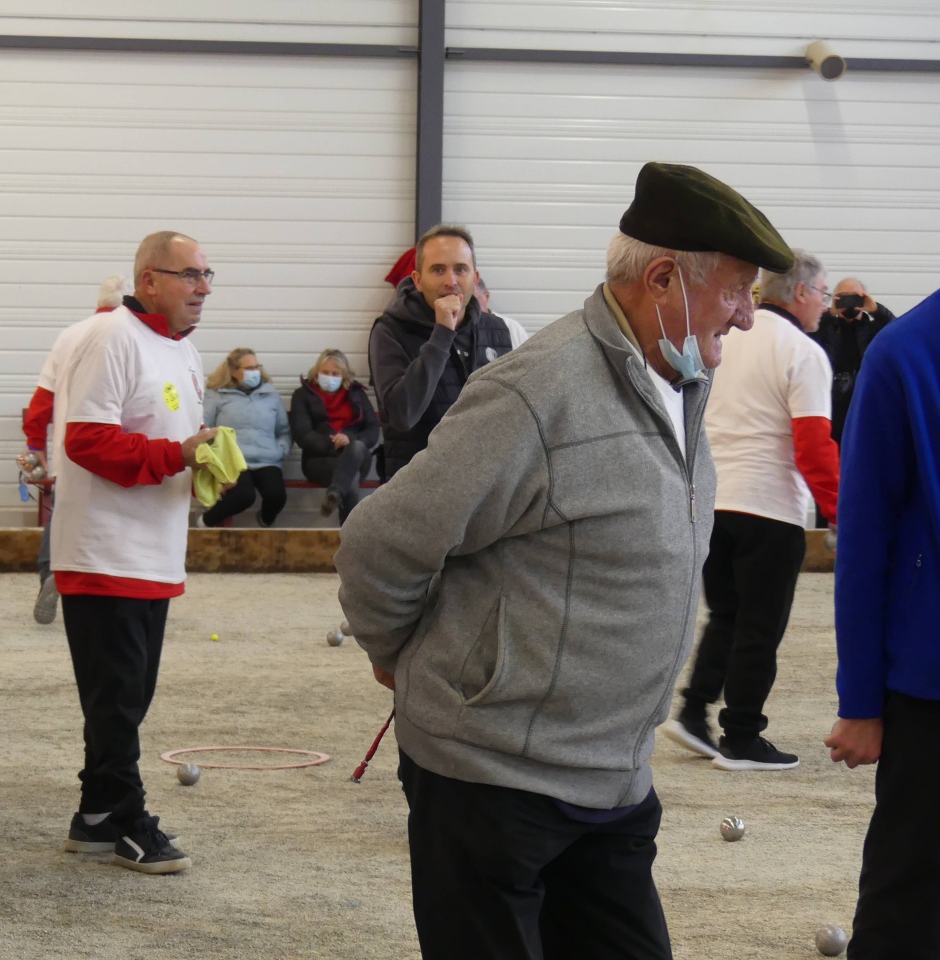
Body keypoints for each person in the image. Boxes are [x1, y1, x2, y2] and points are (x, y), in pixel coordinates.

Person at [336, 162, 793, 960]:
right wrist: (401, 656)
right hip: (492, 780)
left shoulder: (678, 379)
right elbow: (381, 541)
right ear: (662, 279)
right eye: (735, 291)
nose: (749, 316)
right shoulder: (536, 393)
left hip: (612, 781)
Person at [50, 230, 217, 875]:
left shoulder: (186, 351)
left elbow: (172, 443)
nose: (203, 288)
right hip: (104, 550)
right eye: (190, 275)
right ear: (149, 280)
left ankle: (95, 815)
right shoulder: (111, 338)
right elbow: (87, 441)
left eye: (207, 275)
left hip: (154, 551)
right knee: (117, 698)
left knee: (126, 697)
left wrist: (205, 468)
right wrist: (175, 455)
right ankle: (127, 817)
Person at [664, 250, 839, 770]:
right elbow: (814, 447)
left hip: (715, 501)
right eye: (823, 294)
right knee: (760, 627)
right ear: (801, 292)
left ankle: (692, 712)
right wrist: (843, 512)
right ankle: (742, 735)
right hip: (770, 506)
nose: (825, 305)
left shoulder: (725, 339)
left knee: (726, 615)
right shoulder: (802, 352)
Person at [825, 287, 940, 960]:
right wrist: (861, 702)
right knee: (908, 906)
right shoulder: (904, 354)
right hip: (929, 689)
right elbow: (865, 541)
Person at [368, 225, 514, 479]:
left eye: (460, 269)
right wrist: (442, 333)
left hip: (483, 482)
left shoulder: (497, 330)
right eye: (438, 270)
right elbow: (402, 415)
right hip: (416, 483)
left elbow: (509, 412)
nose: (451, 281)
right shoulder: (389, 331)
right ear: (417, 280)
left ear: (475, 278)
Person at [24, 274, 129, 624]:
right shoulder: (135, 335)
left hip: (70, 447)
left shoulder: (70, 335)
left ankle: (49, 574)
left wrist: (35, 444)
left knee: (63, 515)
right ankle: (112, 590)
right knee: (118, 517)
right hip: (122, 444)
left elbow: (42, 400)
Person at [198, 348, 290, 527]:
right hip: (233, 460)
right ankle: (205, 521)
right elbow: (204, 428)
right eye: (249, 368)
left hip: (267, 459)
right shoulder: (216, 394)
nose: (254, 372)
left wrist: (280, 451)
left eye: (256, 367)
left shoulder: (270, 395)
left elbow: (283, 430)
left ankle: (265, 521)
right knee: (244, 496)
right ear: (233, 371)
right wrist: (214, 460)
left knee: (277, 496)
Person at [289, 349, 380, 523]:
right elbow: (302, 433)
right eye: (325, 372)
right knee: (350, 476)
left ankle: (335, 494)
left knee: (356, 447)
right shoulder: (302, 396)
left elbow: (372, 430)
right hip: (318, 461)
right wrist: (333, 444)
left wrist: (349, 439)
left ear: (344, 375)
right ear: (316, 373)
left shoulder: (357, 394)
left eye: (335, 373)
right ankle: (348, 531)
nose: (329, 377)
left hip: (357, 456)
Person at [810, 277, 895, 444]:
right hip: (831, 405)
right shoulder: (825, 327)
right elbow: (806, 337)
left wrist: (876, 310)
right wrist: (830, 313)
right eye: (843, 296)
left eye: (855, 296)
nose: (849, 302)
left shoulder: (874, 329)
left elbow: (897, 333)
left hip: (863, 403)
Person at [475, 276, 530, 349]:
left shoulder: (512, 328)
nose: (468, 307)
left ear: (486, 296)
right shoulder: (460, 330)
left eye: (473, 301)